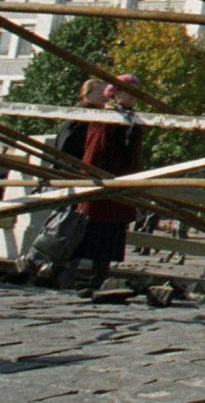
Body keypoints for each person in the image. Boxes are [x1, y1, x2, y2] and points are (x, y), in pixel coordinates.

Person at [70, 75, 145, 290]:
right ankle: (71, 273)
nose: (133, 97)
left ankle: (101, 275)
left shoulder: (130, 118)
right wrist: (94, 180)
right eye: (130, 92)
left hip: (121, 185)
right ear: (117, 94)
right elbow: (95, 151)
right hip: (104, 183)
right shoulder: (107, 117)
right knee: (90, 232)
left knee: (110, 234)